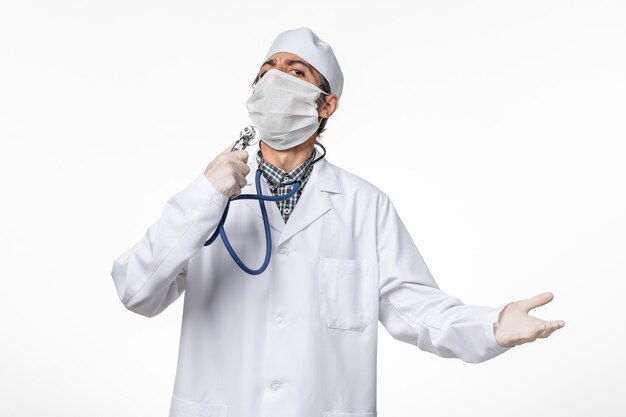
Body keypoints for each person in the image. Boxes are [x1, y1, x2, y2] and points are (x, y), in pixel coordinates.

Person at [111, 27, 565, 417]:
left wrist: (491, 325)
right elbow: (136, 291)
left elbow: (417, 309)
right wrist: (204, 197)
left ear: (326, 105)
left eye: (295, 71)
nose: (274, 76)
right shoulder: (209, 199)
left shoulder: (364, 206)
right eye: (267, 67)